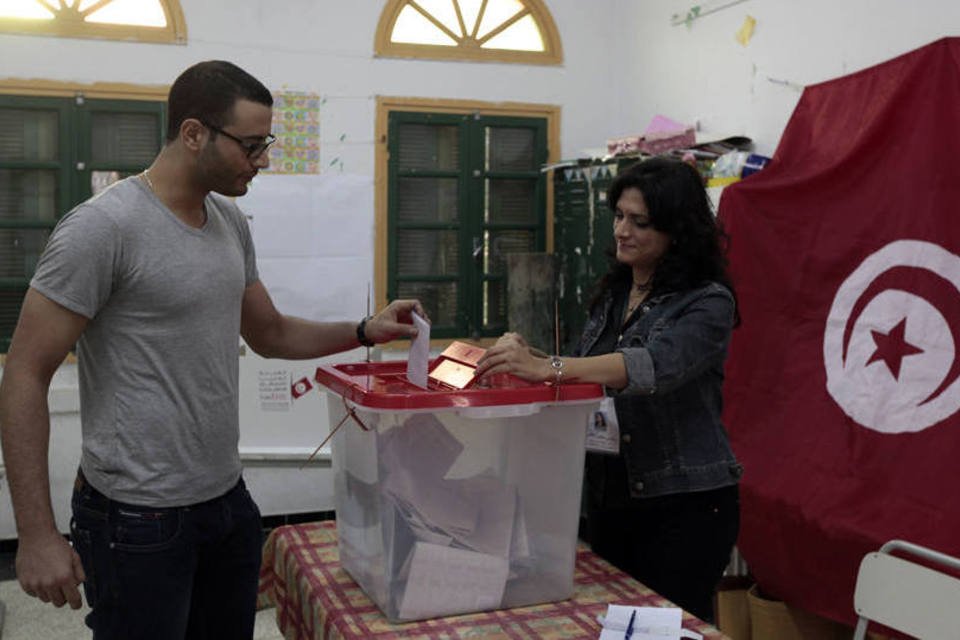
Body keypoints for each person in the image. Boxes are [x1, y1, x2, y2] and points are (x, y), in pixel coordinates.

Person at [0, 60, 426, 639]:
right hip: (135, 520)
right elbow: (25, 372)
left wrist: (362, 329)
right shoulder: (102, 229)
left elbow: (270, 334)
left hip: (226, 503)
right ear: (194, 133)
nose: (264, 160)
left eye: (266, 143)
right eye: (251, 146)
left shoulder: (228, 220)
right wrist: (36, 534)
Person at [476, 157, 741, 622]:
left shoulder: (707, 302)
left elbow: (650, 366)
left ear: (677, 231)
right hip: (611, 496)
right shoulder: (617, 293)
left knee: (666, 627)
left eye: (640, 222)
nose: (622, 230)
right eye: (619, 215)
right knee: (616, 622)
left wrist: (547, 369)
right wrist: (530, 356)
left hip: (683, 506)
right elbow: (586, 370)